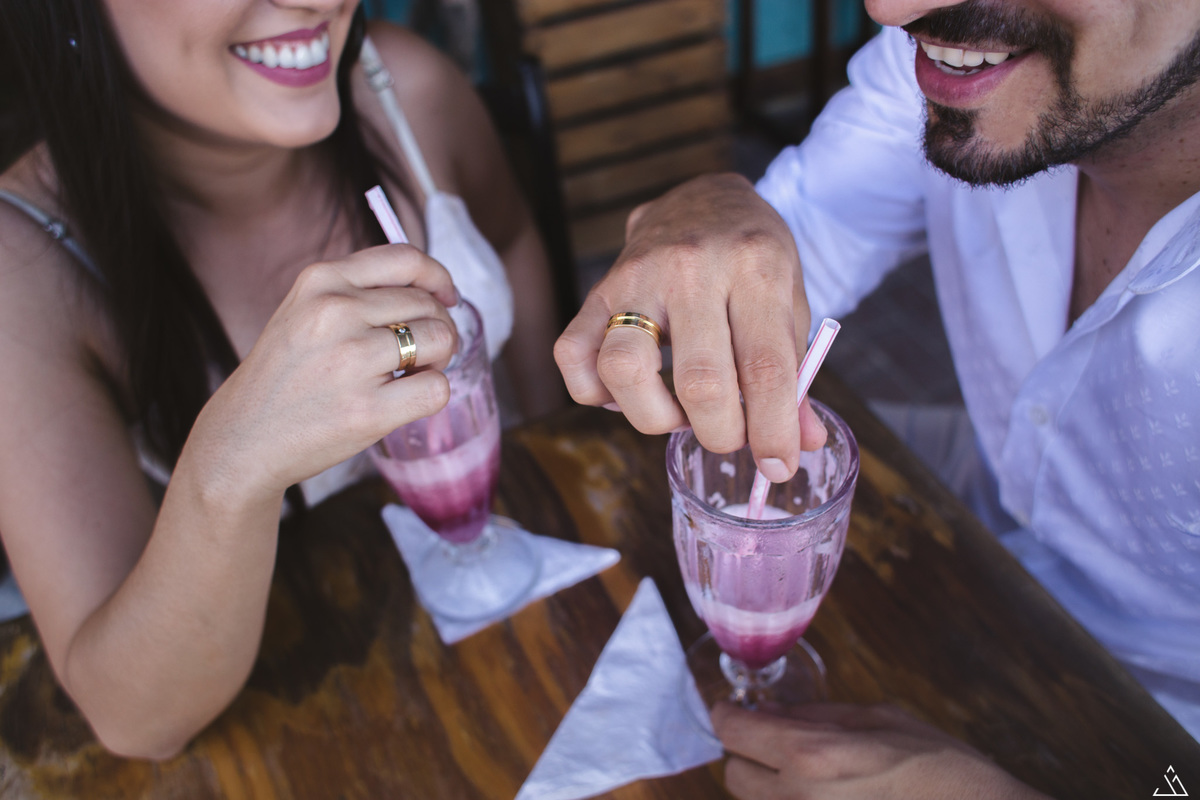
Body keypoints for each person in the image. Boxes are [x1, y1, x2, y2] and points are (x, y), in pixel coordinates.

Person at [555, 0, 1200, 794]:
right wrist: (718, 207)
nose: (890, 7)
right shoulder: (965, 65)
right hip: (980, 542)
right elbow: (804, 229)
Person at [0, 0, 564, 759]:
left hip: (535, 644)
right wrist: (232, 464)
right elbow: (137, 718)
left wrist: (550, 454)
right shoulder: (23, 271)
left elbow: (511, 236)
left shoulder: (406, 90)